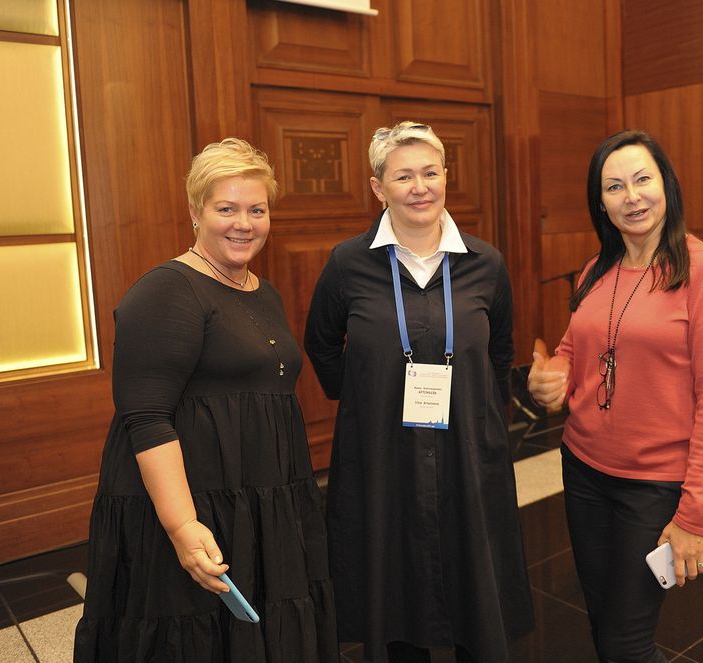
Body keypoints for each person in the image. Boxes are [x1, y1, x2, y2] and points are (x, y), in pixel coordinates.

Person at [74, 138, 338, 662]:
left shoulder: (263, 290)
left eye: (257, 210)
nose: (244, 223)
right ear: (196, 211)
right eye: (226, 209)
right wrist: (182, 525)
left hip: (258, 496)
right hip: (193, 501)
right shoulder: (166, 291)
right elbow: (146, 417)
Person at [304, 121, 534, 663]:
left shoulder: (485, 262)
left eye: (430, 173)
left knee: (474, 579)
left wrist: (484, 414)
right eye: (403, 176)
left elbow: (501, 350)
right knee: (394, 581)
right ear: (378, 188)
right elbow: (321, 344)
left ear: (446, 177)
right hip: (382, 451)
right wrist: (365, 397)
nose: (420, 187)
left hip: (468, 451)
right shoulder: (347, 263)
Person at [528, 129, 703, 663]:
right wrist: (553, 375)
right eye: (614, 186)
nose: (632, 196)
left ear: (666, 184)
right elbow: (573, 347)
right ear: (600, 202)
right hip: (583, 470)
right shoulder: (595, 269)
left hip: (653, 485)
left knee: (627, 643)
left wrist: (695, 515)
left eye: (643, 179)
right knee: (604, 627)